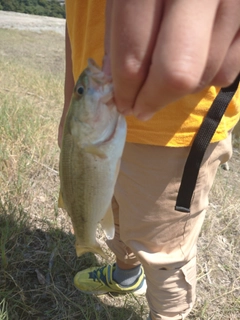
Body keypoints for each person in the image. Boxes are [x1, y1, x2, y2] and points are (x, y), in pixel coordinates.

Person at [58, 1, 240, 319]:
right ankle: (126, 276)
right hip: (96, 123)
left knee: (163, 253)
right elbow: (77, 21)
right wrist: (68, 104)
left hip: (177, 128)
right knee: (114, 219)